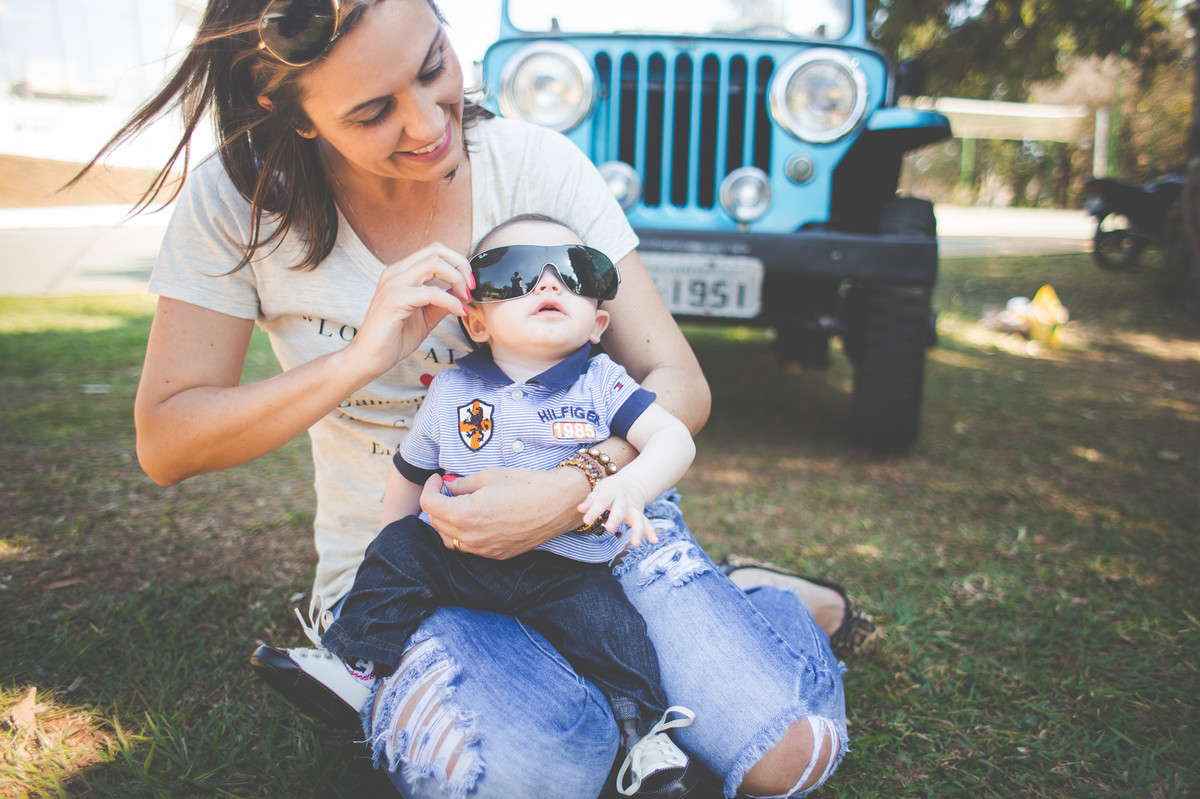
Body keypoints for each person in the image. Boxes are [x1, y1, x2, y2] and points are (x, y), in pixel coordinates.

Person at [75, 0, 868, 795]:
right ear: (289, 111)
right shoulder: (237, 203)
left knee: (779, 761)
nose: (426, 125)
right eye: (373, 110)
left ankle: (761, 603)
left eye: (432, 68)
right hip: (421, 576)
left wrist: (571, 489)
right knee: (534, 775)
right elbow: (167, 442)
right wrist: (360, 358)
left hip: (605, 542)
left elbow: (678, 383)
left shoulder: (536, 165)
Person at [289, 214, 701, 797]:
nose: (549, 284)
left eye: (576, 273)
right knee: (403, 548)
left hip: (567, 569)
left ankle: (646, 736)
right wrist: (392, 548)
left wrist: (630, 486)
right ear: (476, 322)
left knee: (616, 632)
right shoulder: (452, 390)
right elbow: (409, 473)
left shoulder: (603, 384)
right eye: (515, 274)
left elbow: (674, 437)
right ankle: (356, 666)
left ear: (598, 322)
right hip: (462, 557)